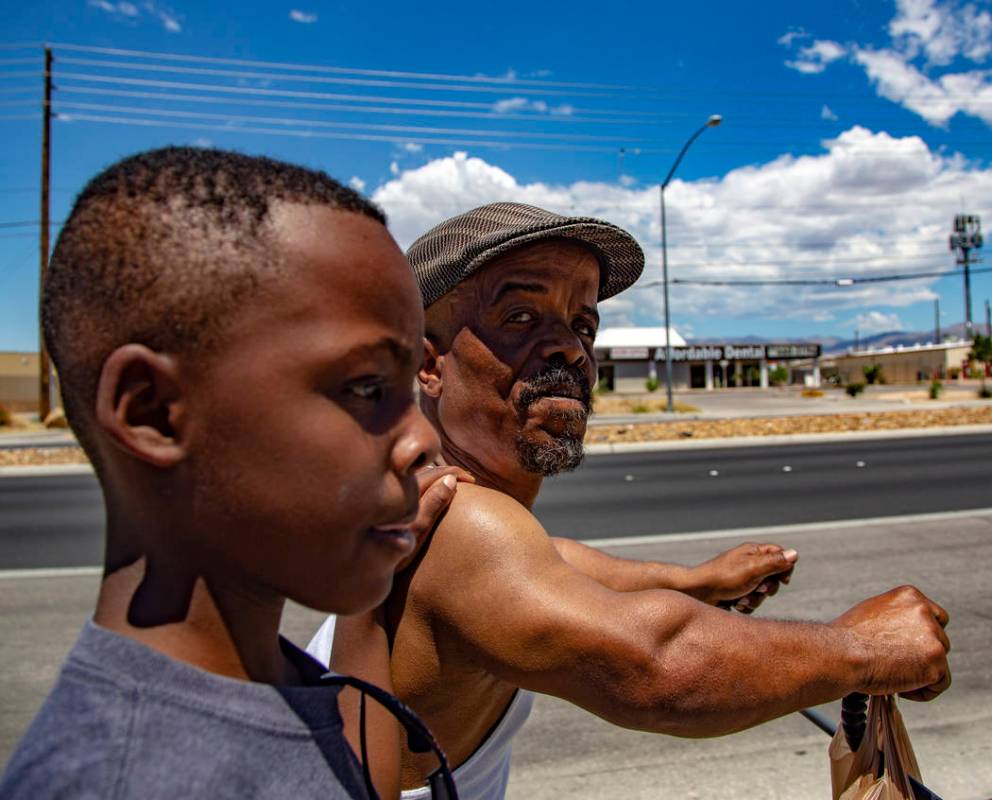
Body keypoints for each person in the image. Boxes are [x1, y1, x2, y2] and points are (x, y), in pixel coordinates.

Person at [311, 202, 952, 800]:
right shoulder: (465, 528)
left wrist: (691, 582)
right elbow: (657, 669)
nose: (569, 346)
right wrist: (866, 649)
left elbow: (550, 561)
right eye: (520, 318)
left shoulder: (437, 507)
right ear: (429, 365)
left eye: (582, 323)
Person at [0, 147, 458, 799]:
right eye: (364, 387)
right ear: (154, 414)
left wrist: (380, 587)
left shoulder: (266, 675)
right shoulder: (119, 779)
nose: (423, 440)